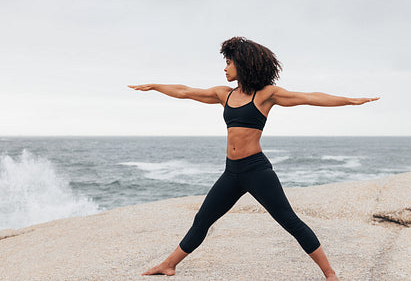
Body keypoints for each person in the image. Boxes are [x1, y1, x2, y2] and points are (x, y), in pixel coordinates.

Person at [128, 36, 379, 280]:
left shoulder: (265, 95)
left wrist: (349, 101)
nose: (225, 68)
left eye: (229, 62)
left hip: (256, 171)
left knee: (289, 221)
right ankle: (168, 265)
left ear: (244, 63)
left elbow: (310, 97)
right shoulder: (223, 94)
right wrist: (155, 86)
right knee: (202, 219)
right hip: (231, 172)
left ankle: (330, 274)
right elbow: (185, 91)